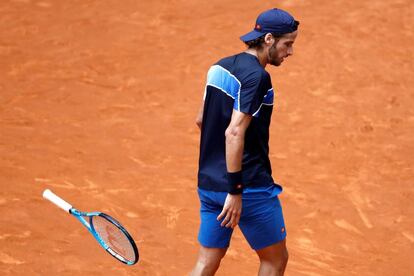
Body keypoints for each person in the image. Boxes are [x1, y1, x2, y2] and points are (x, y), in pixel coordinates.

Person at [191, 8, 299, 276]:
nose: (290, 52)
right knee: (275, 260)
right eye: (288, 44)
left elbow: (201, 120)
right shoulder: (257, 77)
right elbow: (234, 133)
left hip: (209, 185)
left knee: (206, 263)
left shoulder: (219, 67)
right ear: (269, 39)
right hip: (247, 188)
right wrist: (235, 190)